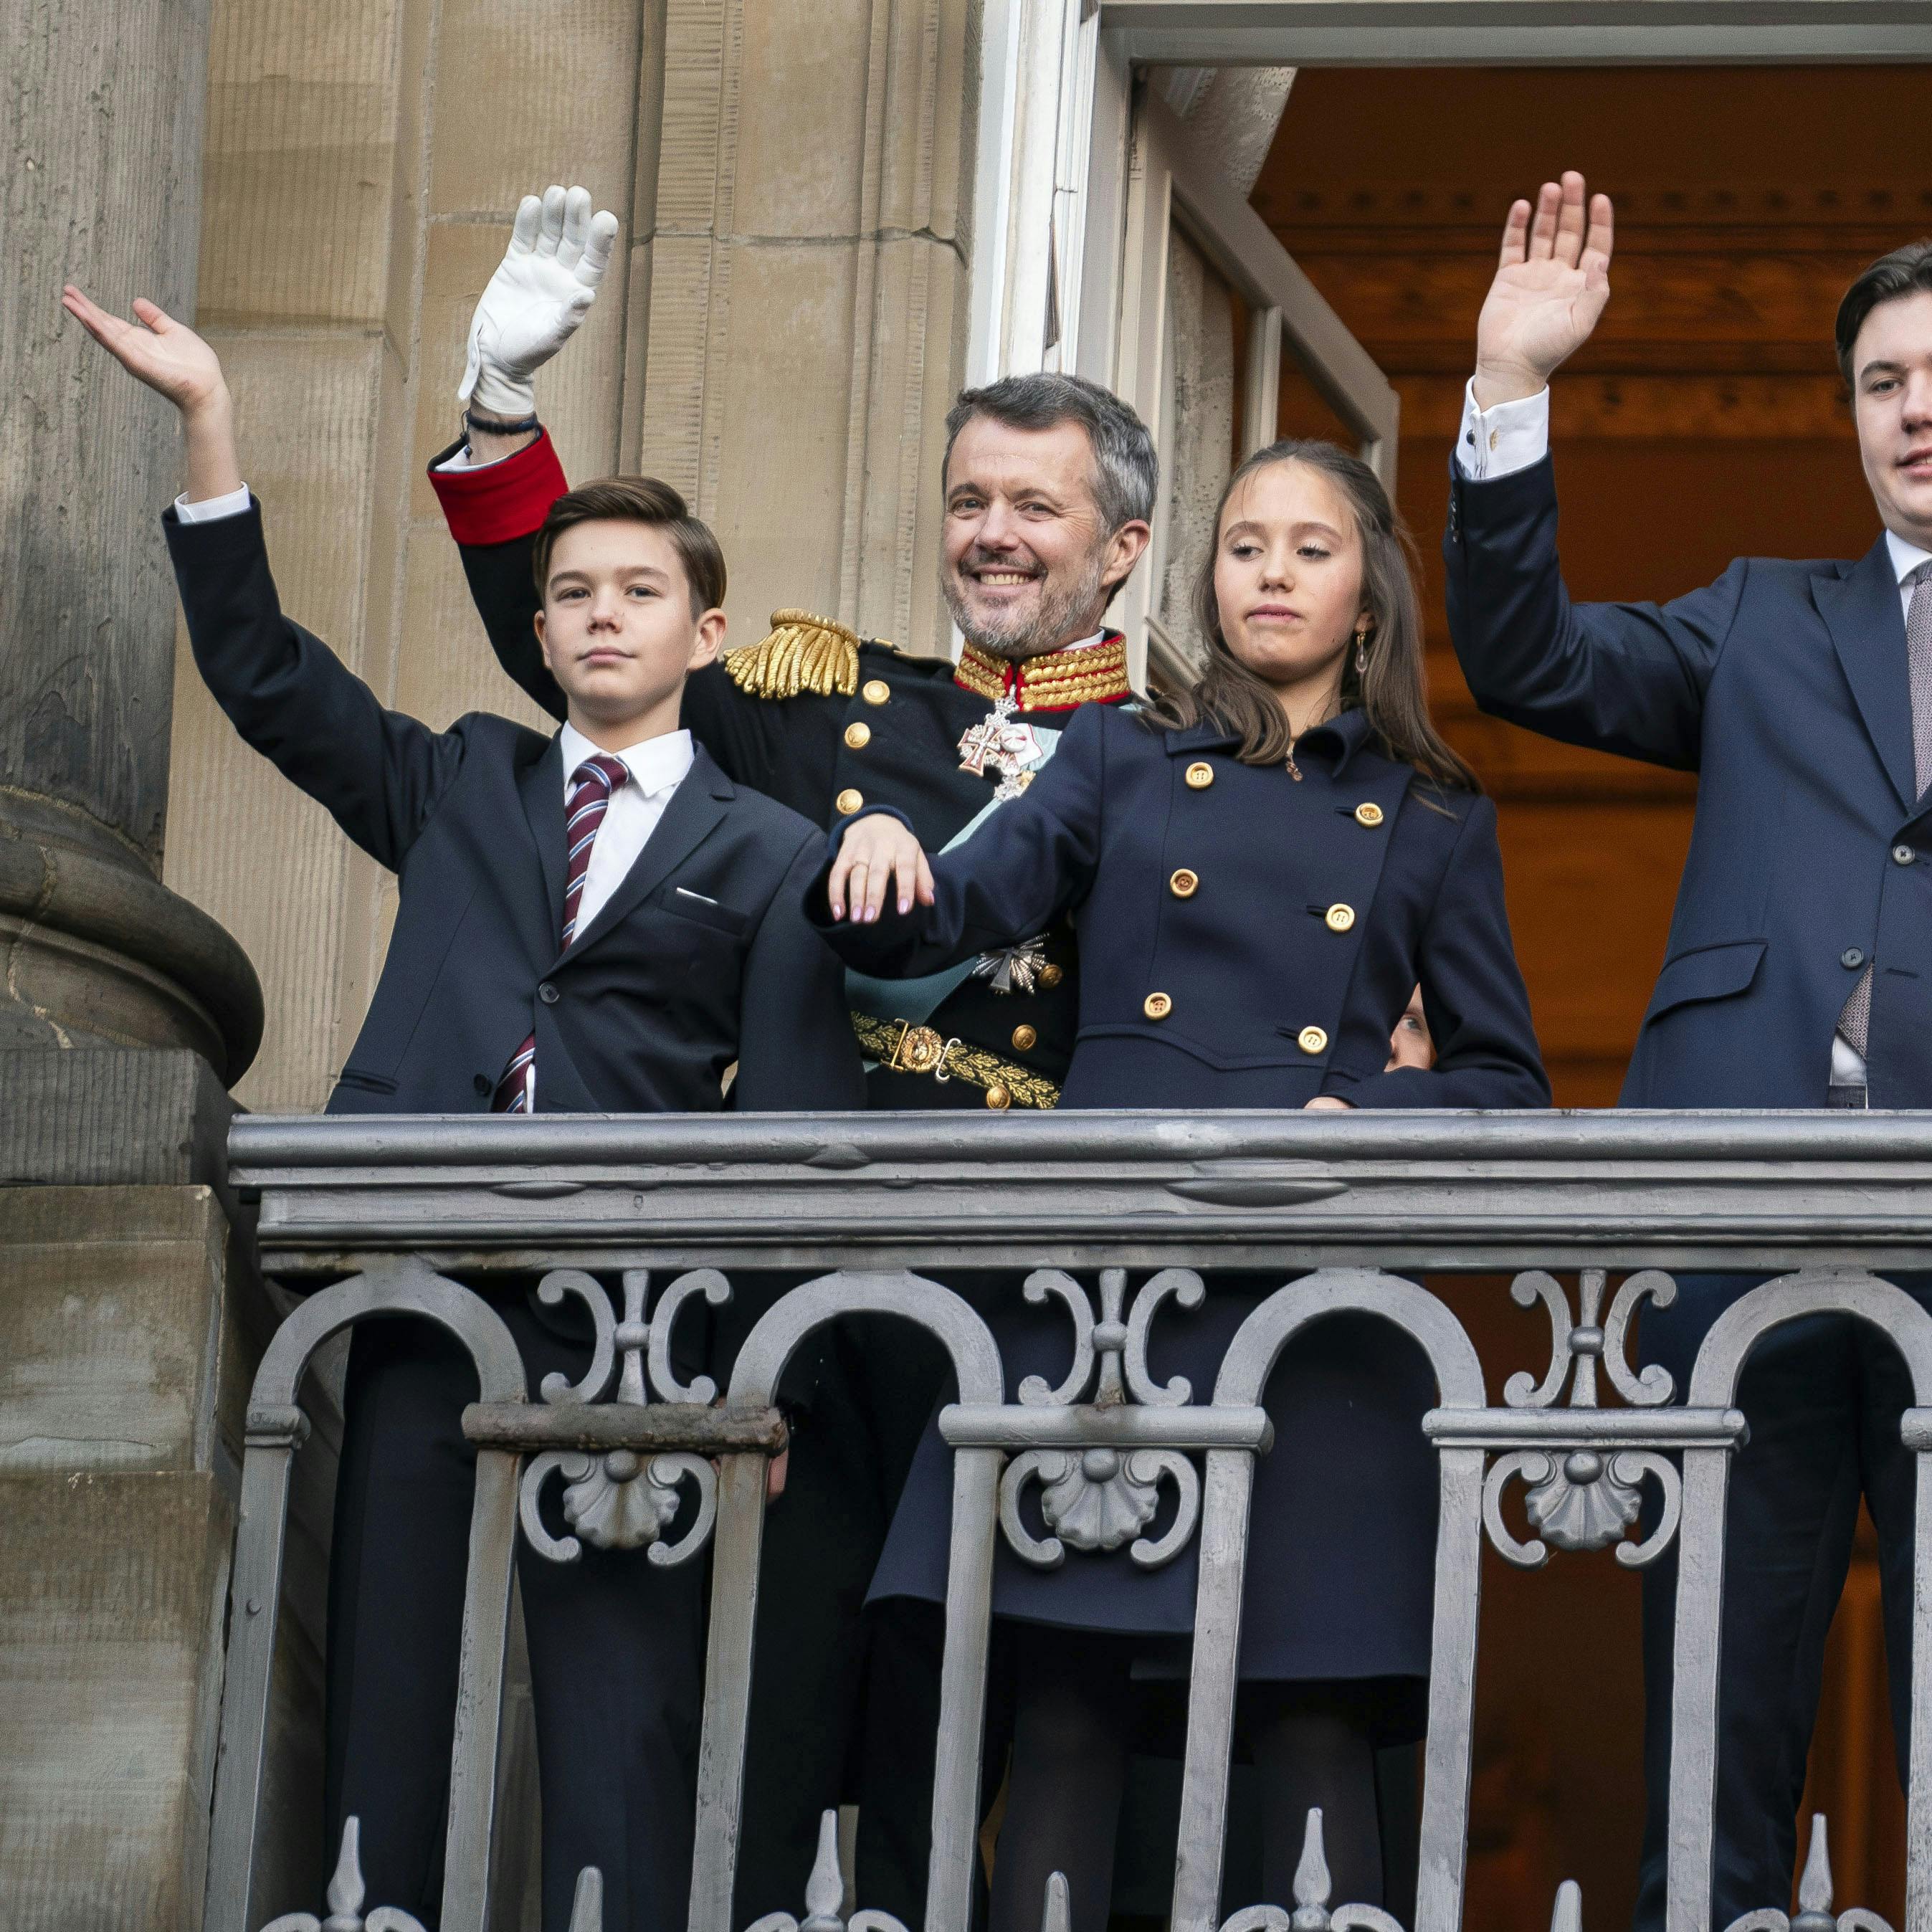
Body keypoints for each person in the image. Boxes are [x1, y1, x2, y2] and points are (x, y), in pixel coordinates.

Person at [62, 280, 864, 1932]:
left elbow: (789, 1118)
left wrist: (770, 1373)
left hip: (637, 1320)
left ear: (705, 635)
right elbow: (270, 677)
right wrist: (211, 420)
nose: (598, 616)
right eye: (571, 590)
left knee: (614, 1707)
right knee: (396, 1687)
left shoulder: (774, 856)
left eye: (640, 590)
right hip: (423, 1287)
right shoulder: (464, 782)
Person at [422, 188, 1161, 1921]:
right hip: (810, 1262)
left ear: (1118, 545)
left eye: (1033, 507)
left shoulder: (1174, 754)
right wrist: (505, 419)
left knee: (993, 1717)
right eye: (968, 499)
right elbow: (585, 651)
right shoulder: (823, 696)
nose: (991, 534)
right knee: (768, 1709)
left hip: (1050, 1285)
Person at [816, 437, 1548, 1932]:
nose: (1271, 572)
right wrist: (883, 854)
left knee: (1312, 1718)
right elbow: (966, 905)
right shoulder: (1119, 758)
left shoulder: (1428, 809)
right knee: (1070, 1702)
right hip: (1106, 1283)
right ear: (1205, 580)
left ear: (1367, 596)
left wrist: (1370, 1115)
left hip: (1311, 1295)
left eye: (1309, 547)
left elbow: (1503, 1081)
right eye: (1244, 546)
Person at [1443, 173, 1932, 1928]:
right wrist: (1510, 387)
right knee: (1717, 1704)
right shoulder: (1765, 617)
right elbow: (1524, 660)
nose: (1916, 408)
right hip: (1740, 1207)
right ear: (1850, 417)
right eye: (1882, 381)